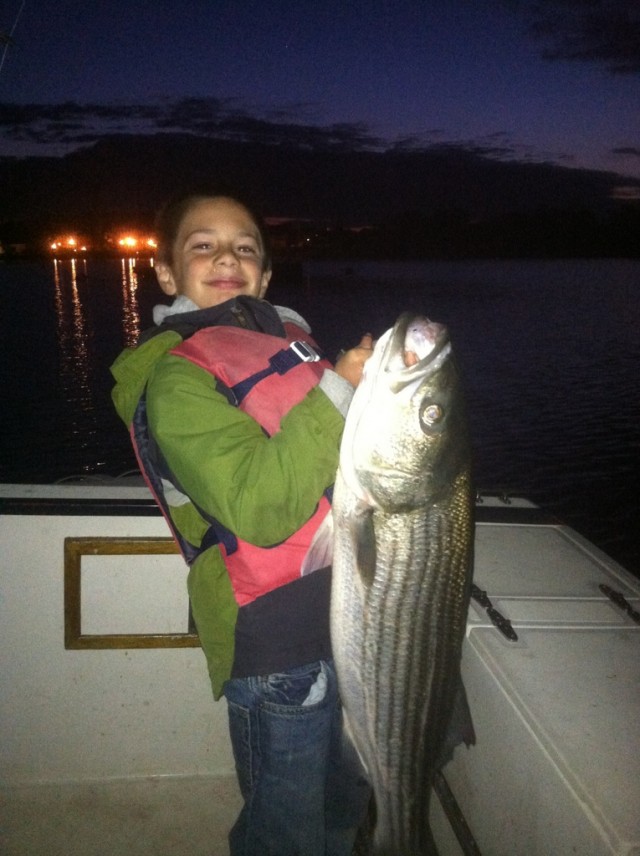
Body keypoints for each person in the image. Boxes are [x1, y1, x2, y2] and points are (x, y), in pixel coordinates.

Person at [110, 192, 373, 855]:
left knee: (340, 803)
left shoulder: (289, 345)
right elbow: (258, 508)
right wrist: (340, 391)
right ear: (166, 272)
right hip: (276, 645)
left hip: (343, 620)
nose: (227, 257)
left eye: (245, 247)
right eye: (203, 245)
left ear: (265, 274)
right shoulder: (177, 380)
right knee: (285, 829)